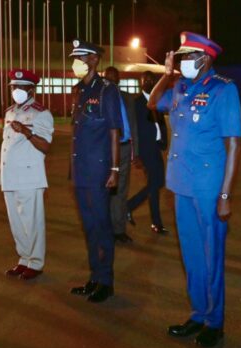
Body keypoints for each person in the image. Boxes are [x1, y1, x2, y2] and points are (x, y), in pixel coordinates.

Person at [147, 31, 241, 347]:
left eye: (188, 57)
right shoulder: (180, 87)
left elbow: (233, 144)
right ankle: (199, 313)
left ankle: (215, 322)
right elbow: (151, 102)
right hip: (181, 184)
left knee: (212, 255)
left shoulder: (223, 90)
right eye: (182, 57)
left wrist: (225, 195)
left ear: (205, 58)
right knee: (191, 256)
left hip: (208, 187)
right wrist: (167, 73)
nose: (184, 61)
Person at [67, 39, 122, 303]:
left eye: (81, 56)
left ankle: (106, 282)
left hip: (99, 171)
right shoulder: (78, 90)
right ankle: (94, 277)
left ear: (94, 60)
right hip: (80, 171)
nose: (76, 61)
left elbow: (114, 131)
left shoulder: (106, 91)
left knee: (102, 226)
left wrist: (114, 169)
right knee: (88, 227)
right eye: (74, 57)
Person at [0, 69, 54, 281]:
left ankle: (36, 262)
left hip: (29, 177)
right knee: (16, 223)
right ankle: (24, 259)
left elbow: (45, 146)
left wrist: (27, 131)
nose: (16, 90)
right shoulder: (10, 112)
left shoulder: (42, 113)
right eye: (14, 87)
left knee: (32, 222)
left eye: (21, 87)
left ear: (31, 89)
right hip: (9, 175)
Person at [127, 71, 169, 234]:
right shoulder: (137, 103)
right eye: (146, 79)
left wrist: (163, 141)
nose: (150, 82)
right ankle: (130, 206)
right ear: (141, 82)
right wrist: (135, 154)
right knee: (156, 183)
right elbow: (133, 129)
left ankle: (155, 222)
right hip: (145, 149)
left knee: (157, 184)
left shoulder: (157, 100)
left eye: (152, 79)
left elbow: (161, 123)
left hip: (156, 146)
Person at [103, 66, 137, 244]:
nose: (111, 81)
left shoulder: (127, 97)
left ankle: (119, 229)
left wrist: (136, 152)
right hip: (107, 149)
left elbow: (133, 125)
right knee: (106, 191)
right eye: (108, 78)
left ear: (119, 80)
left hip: (124, 147)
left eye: (114, 78)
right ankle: (106, 229)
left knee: (121, 191)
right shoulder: (100, 97)